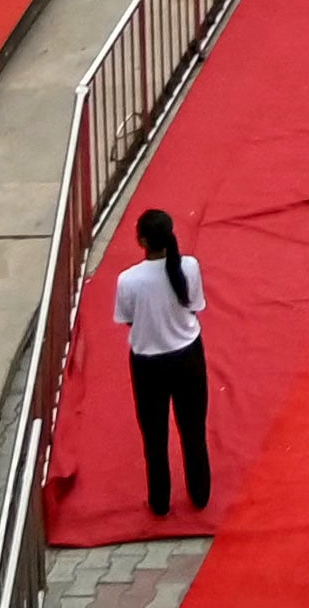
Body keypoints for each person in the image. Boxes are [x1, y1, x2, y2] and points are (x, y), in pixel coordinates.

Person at [113, 209, 215, 519]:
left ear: (142, 240)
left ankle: (160, 501)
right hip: (188, 356)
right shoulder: (189, 267)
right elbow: (195, 306)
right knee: (193, 428)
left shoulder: (128, 280)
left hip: (148, 364)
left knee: (154, 436)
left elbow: (127, 318)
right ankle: (200, 494)